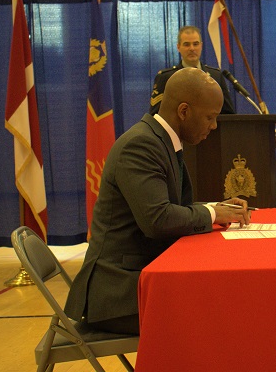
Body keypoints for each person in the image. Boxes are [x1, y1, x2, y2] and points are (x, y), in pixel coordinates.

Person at [65, 68, 250, 335]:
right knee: (220, 319)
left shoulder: (160, 140)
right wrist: (213, 214)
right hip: (117, 296)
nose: (214, 126)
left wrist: (214, 209)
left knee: (225, 304)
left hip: (138, 279)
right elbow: (158, 220)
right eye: (210, 117)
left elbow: (171, 210)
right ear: (184, 111)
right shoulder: (140, 145)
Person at [149, 25, 235, 115]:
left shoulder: (216, 76)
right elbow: (155, 115)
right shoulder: (166, 78)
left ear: (201, 46)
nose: (192, 49)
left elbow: (228, 115)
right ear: (178, 47)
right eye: (186, 44)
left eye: (195, 44)